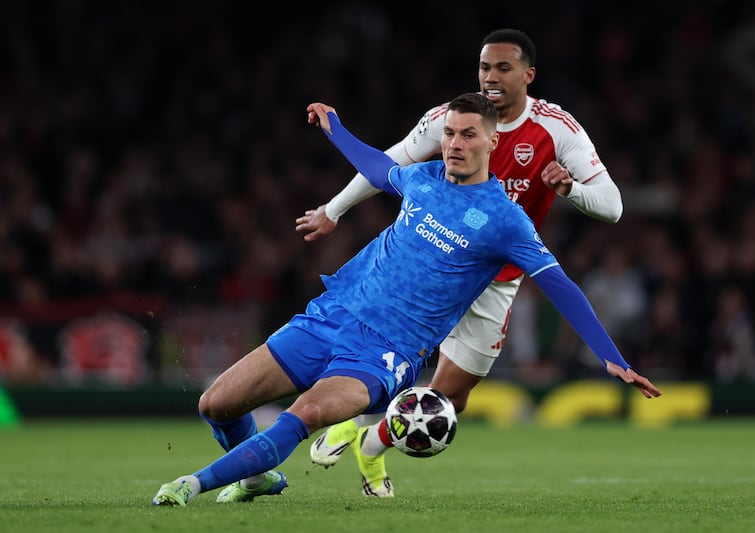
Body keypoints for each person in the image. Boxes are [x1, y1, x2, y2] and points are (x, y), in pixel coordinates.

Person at [152, 93, 661, 506]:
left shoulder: (507, 221)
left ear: (491, 140)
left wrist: (611, 357)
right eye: (449, 133)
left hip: (384, 353)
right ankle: (258, 479)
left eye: (467, 134)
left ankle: (191, 484)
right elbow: (377, 168)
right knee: (215, 404)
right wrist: (336, 129)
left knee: (300, 417)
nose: (455, 143)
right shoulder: (422, 178)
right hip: (331, 315)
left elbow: (561, 287)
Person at [297, 29, 623, 496]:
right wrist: (333, 209)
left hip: (497, 276)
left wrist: (571, 189)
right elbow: (388, 163)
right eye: (485, 67)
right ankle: (348, 415)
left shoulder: (557, 128)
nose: (491, 77)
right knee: (391, 356)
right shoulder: (449, 118)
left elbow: (612, 206)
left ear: (528, 75)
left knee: (452, 399)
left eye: (503, 68)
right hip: (438, 256)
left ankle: (370, 440)